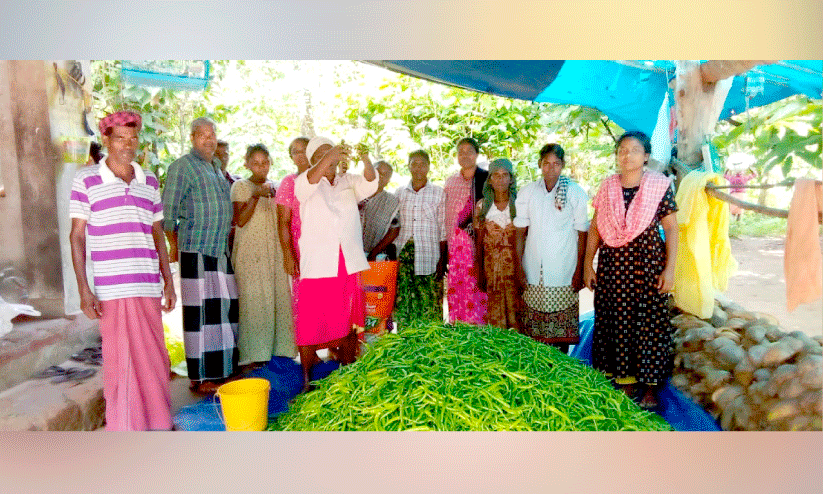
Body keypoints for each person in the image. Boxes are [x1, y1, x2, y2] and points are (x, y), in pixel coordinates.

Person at [69, 111, 176, 430]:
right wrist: (83, 289)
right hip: (112, 289)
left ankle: (158, 424)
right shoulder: (86, 180)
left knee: (155, 360)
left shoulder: (149, 181)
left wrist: (168, 282)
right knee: (121, 363)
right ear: (107, 140)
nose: (127, 145)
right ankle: (126, 430)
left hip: (146, 285)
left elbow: (157, 234)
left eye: (133, 139)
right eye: (119, 139)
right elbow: (77, 235)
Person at [584, 130, 678, 410]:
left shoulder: (659, 186)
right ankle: (624, 383)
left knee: (649, 324)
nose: (627, 155)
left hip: (647, 267)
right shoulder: (608, 187)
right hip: (613, 268)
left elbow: (672, 229)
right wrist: (589, 263)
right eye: (622, 150)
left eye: (634, 150)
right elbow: (595, 228)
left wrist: (670, 270)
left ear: (646, 156)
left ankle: (649, 388)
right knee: (614, 322)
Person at [294, 136, 377, 392]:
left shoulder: (347, 181)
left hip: (347, 262)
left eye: (330, 153)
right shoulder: (304, 182)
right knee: (310, 321)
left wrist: (364, 157)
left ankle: (346, 371)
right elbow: (309, 180)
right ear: (312, 159)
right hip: (318, 263)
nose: (328, 158)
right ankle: (308, 380)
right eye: (321, 155)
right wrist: (330, 155)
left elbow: (371, 183)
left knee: (348, 318)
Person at [162, 117, 238, 395]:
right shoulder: (181, 167)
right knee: (199, 317)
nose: (209, 139)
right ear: (192, 138)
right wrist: (172, 249)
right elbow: (167, 213)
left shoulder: (216, 167)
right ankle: (199, 375)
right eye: (202, 135)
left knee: (221, 313)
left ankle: (220, 371)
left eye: (212, 134)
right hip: (195, 249)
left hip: (218, 249)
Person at [514, 144, 589, 353]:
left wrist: (579, 271)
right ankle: (540, 374)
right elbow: (519, 232)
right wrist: (519, 268)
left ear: (563, 165)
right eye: (546, 163)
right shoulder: (528, 192)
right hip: (533, 270)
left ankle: (561, 373)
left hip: (563, 270)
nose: (551, 168)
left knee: (561, 333)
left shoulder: (575, 193)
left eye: (556, 164)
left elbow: (582, 234)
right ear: (539, 164)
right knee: (535, 333)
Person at [231, 144, 296, 370]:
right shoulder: (241, 186)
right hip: (251, 254)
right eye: (256, 163)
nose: (261, 167)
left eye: (265, 162)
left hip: (274, 252)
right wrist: (256, 196)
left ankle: (279, 350)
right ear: (246, 163)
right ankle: (254, 354)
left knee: (277, 300)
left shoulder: (276, 187)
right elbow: (240, 220)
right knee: (254, 302)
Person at [393, 150, 447, 327]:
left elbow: (443, 228)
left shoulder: (438, 193)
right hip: (405, 255)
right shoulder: (399, 193)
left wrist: (442, 259)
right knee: (405, 301)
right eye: (414, 164)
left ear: (429, 167)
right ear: (408, 166)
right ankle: (405, 342)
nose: (418, 168)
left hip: (429, 256)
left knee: (429, 302)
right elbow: (394, 224)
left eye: (422, 164)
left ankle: (431, 343)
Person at [474, 158, 523, 331]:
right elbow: (479, 242)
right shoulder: (482, 207)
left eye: (505, 175)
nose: (500, 179)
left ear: (511, 178)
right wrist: (479, 272)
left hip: (516, 269)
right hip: (491, 268)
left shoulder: (520, 204)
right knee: (495, 317)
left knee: (518, 312)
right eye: (496, 175)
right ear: (490, 179)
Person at [444, 137, 489, 324]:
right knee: (458, 290)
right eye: (460, 152)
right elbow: (446, 215)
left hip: (478, 246)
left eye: (469, 151)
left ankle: (478, 333)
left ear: (477, 154)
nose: (465, 155)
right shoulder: (450, 181)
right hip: (455, 248)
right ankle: (458, 330)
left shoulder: (486, 179)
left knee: (477, 290)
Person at [359, 160, 400, 261]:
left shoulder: (391, 201)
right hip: (348, 254)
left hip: (374, 257)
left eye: (385, 175)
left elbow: (394, 230)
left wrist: (373, 254)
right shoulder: (354, 193)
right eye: (377, 172)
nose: (379, 177)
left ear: (388, 181)